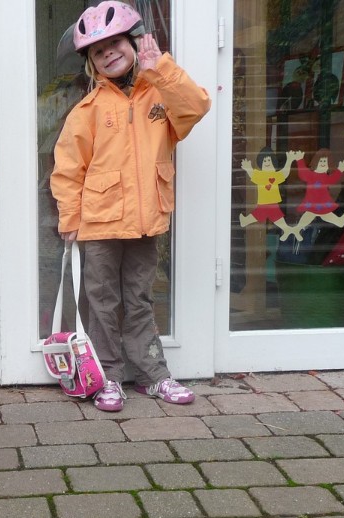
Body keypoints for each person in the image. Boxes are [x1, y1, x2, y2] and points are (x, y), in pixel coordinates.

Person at [50, 2, 211, 411]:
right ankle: (108, 377)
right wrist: (69, 218)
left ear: (134, 43)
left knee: (139, 299)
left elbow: (196, 107)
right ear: (91, 62)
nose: (109, 53)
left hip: (145, 220)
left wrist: (161, 67)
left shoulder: (161, 93)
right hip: (100, 225)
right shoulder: (87, 111)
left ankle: (153, 375)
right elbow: (68, 168)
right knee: (101, 300)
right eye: (98, 50)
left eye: (116, 43)